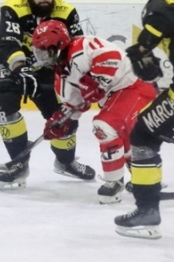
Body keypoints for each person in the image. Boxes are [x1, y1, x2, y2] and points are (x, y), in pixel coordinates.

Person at [0, 0, 96, 190]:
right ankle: (18, 164)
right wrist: (21, 68)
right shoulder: (12, 8)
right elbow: (8, 43)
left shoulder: (67, 12)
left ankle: (66, 161)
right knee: (3, 102)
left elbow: (75, 49)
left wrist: (82, 80)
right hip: (5, 60)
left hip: (46, 65)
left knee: (64, 114)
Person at [31, 20, 157, 204]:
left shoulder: (83, 46)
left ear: (58, 45)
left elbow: (112, 55)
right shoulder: (62, 75)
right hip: (119, 97)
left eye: (44, 50)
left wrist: (99, 81)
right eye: (38, 51)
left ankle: (114, 182)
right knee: (122, 134)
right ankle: (144, 179)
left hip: (136, 86)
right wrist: (60, 121)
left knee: (104, 126)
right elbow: (74, 105)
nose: (41, 56)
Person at [115, 0, 174, 239]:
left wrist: (144, 46)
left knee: (143, 136)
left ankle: (147, 210)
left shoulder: (166, 5)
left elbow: (161, 18)